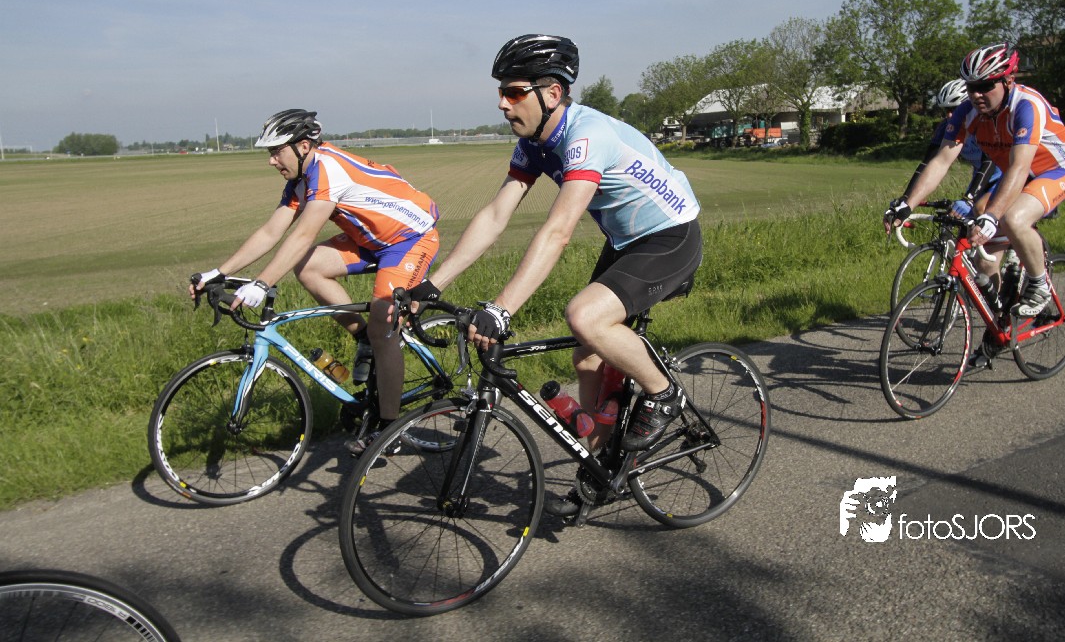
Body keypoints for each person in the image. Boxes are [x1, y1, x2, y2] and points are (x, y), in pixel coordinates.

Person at [404, 34, 703, 515]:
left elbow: (558, 231)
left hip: (671, 236)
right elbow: (496, 215)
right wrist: (432, 284)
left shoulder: (586, 136)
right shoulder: (535, 144)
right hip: (625, 242)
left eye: (513, 92)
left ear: (552, 93)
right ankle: (600, 465)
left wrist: (502, 310)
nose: (502, 103)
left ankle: (664, 394)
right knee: (587, 359)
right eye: (501, 92)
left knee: (585, 317)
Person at [190, 109, 440, 454]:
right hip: (372, 240)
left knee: (384, 328)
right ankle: (363, 339)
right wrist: (219, 272)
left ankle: (389, 428)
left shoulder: (328, 169)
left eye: (276, 151)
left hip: (409, 240)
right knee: (308, 267)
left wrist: (261, 283)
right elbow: (271, 231)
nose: (271, 161)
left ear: (303, 146)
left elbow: (303, 234)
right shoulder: (302, 178)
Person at [884, 43, 1065, 322]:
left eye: (985, 86)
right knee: (983, 258)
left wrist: (993, 215)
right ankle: (999, 323)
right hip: (1018, 173)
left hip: (1056, 169)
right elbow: (941, 161)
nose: (976, 94)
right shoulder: (967, 112)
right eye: (971, 87)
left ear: (1008, 80)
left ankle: (1039, 285)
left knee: (1012, 218)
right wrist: (907, 204)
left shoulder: (1026, 106)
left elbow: (1019, 167)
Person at [899, 79, 1002, 220]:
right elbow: (927, 163)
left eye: (954, 109)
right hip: (980, 175)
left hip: (1003, 173)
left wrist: (969, 198)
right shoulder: (947, 127)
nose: (949, 116)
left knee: (980, 209)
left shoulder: (985, 123)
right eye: (946, 110)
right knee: (964, 221)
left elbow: (989, 162)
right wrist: (905, 199)